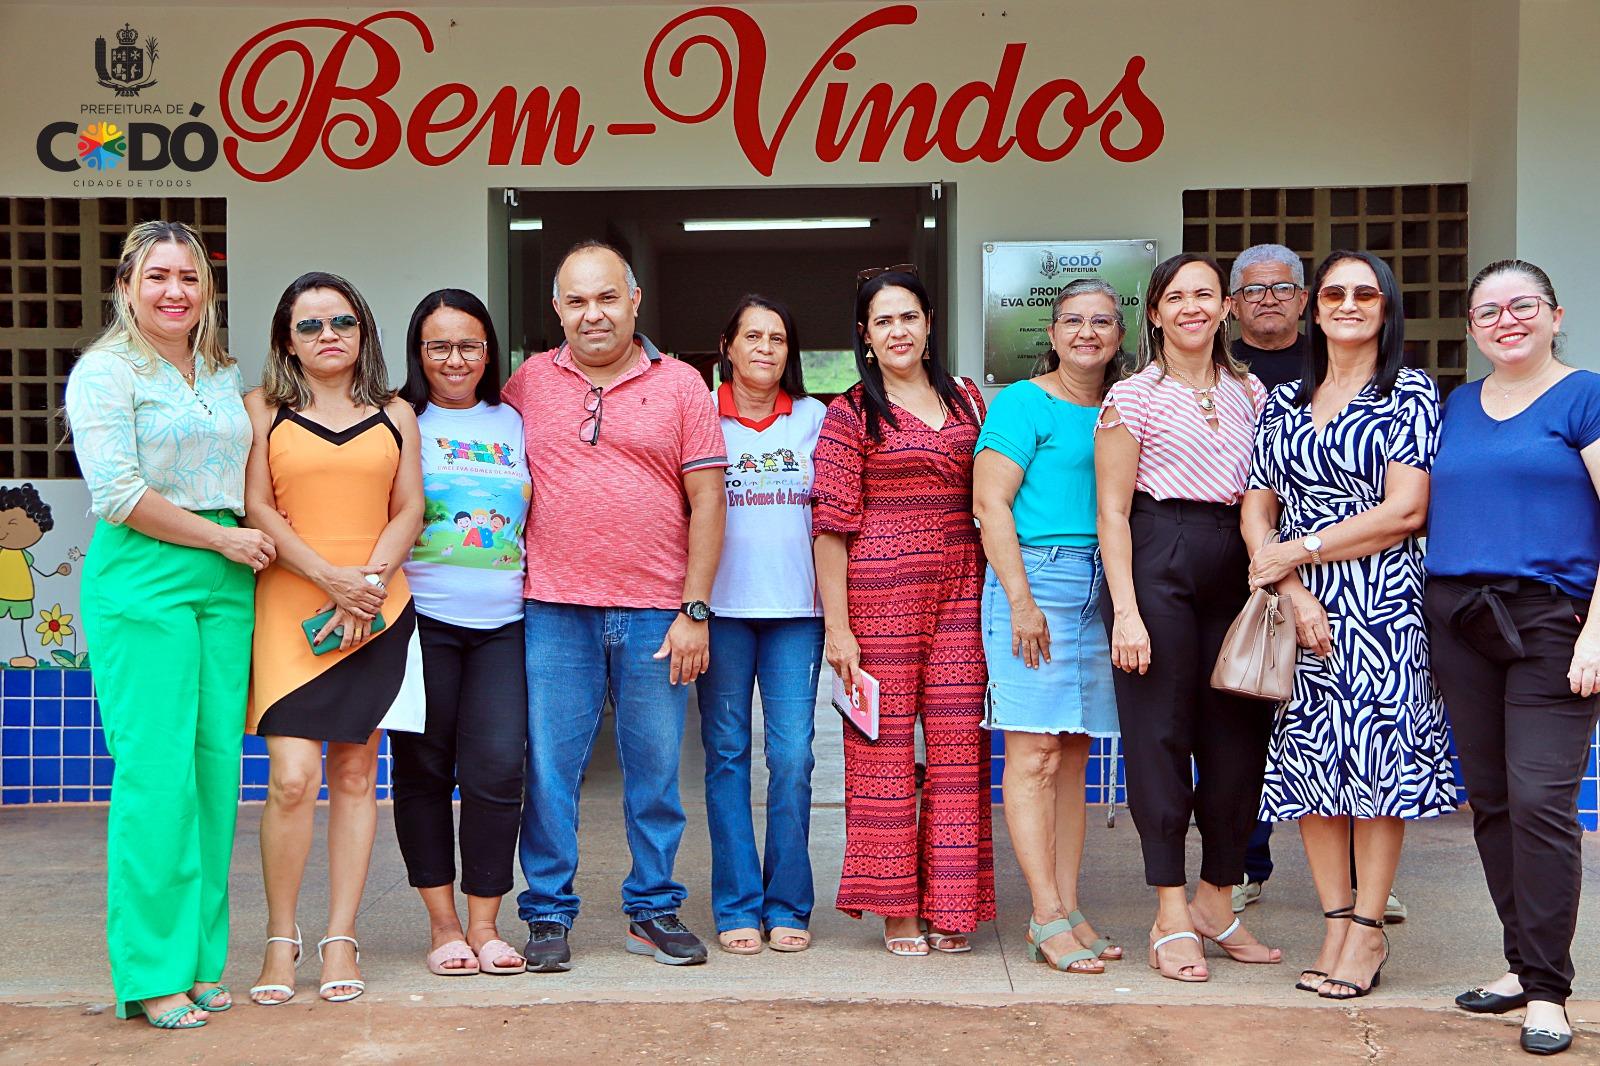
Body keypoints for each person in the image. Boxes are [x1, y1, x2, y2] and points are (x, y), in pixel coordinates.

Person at [65, 221, 271, 1030]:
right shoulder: (105, 372)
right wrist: (221, 537)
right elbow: (115, 493)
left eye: (189, 277)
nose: (175, 291)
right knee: (156, 778)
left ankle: (198, 961)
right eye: (157, 277)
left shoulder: (221, 373)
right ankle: (151, 973)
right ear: (126, 286)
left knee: (216, 772)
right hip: (147, 573)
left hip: (226, 579)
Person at [1241, 251, 1457, 1000]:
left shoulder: (1411, 393)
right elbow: (1256, 506)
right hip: (1298, 607)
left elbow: (1405, 510)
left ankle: (1367, 930)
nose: (1348, 303)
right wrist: (1292, 587)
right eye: (1334, 292)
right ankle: (1333, 921)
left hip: (1384, 606)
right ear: (1313, 307)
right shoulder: (1285, 399)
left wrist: (1301, 549)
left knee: (1375, 773)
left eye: (1365, 293)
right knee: (1310, 772)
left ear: (1387, 308)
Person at [506, 240, 726, 971]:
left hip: (657, 615)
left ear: (635, 301)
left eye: (607, 298)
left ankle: (654, 906)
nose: (592, 313)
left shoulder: (684, 386)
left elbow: (707, 500)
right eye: (576, 301)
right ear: (557, 310)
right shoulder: (528, 383)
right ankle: (545, 913)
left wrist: (694, 610)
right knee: (550, 770)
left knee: (657, 769)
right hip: (553, 611)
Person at [1425, 259, 1600, 1057]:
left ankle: (1550, 991)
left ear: (1555, 315)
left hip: (1551, 621)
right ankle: (1520, 963)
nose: (1507, 320)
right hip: (1460, 617)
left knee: (1541, 803)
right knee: (1491, 802)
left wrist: (1595, 634)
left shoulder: (1584, 395)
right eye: (1489, 310)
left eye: (1522, 306)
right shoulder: (1458, 405)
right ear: (1472, 327)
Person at [243, 272, 425, 1005]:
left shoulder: (396, 414)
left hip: (378, 609)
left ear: (363, 332)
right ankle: (280, 940)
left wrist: (368, 586)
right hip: (293, 606)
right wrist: (332, 580)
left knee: (356, 775)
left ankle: (340, 937)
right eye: (311, 325)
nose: (329, 336)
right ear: (287, 337)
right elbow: (258, 506)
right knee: (292, 779)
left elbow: (410, 505)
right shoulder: (262, 410)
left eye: (342, 322)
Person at [1094, 252, 1277, 983]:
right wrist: (1127, 612)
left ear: (1226, 307)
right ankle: (1169, 909)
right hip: (1156, 556)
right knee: (1160, 737)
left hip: (1236, 558)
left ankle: (1215, 898)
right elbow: (1110, 511)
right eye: (1178, 296)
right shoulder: (1131, 397)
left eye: (1206, 294)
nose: (1193, 307)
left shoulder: (1251, 391)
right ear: (1157, 313)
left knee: (1239, 737)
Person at [812, 267, 994, 957]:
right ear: (864, 333)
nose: (898, 331)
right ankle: (896, 908)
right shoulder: (850, 412)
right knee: (882, 754)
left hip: (960, 593)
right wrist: (839, 629)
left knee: (956, 750)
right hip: (878, 599)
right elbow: (830, 526)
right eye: (883, 320)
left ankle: (951, 904)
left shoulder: (970, 400)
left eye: (909, 317)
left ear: (928, 323)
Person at [972, 279, 1124, 975]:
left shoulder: (1121, 407)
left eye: (1101, 321)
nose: (1087, 332)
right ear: (1053, 332)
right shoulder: (1023, 402)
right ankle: (1042, 914)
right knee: (1031, 756)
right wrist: (1022, 599)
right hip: (1037, 579)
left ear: (1121, 334)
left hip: (1101, 584)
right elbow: (990, 505)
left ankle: (1069, 905)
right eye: (1073, 321)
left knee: (1072, 756)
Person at [392, 290, 531, 976]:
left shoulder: (516, 421)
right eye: (438, 345)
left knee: (499, 769)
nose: (455, 359)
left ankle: (486, 923)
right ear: (419, 352)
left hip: (504, 622)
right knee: (422, 771)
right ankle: (443, 925)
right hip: (422, 619)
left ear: (488, 350)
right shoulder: (397, 420)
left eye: (469, 345)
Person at [698, 295, 827, 955]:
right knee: (725, 759)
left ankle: (787, 903)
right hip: (718, 612)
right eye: (752, 336)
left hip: (795, 616)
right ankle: (737, 904)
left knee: (794, 758)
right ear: (727, 345)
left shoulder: (815, 418)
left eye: (778, 338)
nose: (765, 349)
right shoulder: (699, 415)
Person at [1226, 243, 1308, 911]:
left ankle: (1366, 875)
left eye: (1283, 288)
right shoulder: (1220, 369)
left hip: (1329, 565)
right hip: (1235, 564)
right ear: (1232, 306)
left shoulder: (1339, 360)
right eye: (1254, 291)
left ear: (1304, 299)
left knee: (1335, 718)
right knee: (1245, 716)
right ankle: (1247, 863)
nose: (1269, 299)